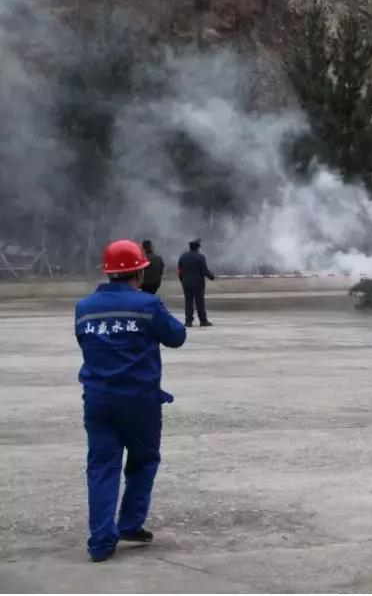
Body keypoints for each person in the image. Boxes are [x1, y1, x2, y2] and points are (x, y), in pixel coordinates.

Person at [76, 240, 187, 562]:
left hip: (97, 398)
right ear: (139, 272)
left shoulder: (84, 307)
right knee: (144, 460)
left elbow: (85, 342)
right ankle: (130, 524)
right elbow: (177, 337)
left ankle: (100, 543)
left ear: (108, 272)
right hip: (139, 400)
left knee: (102, 467)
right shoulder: (148, 305)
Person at [177, 239, 215, 327]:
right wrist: (212, 277)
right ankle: (203, 321)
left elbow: (179, 271)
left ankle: (188, 321)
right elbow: (204, 270)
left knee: (188, 302)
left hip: (186, 283)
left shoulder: (183, 256)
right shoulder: (200, 257)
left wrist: (183, 280)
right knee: (200, 302)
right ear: (198, 247)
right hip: (198, 283)